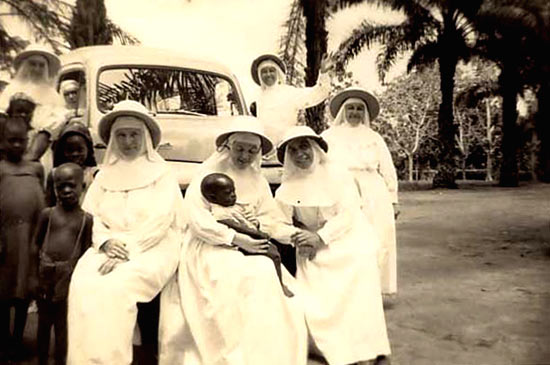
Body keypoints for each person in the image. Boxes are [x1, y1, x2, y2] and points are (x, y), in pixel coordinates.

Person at [159, 117, 307, 365]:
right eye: (239, 148)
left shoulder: (258, 181)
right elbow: (196, 218)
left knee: (263, 274)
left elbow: (270, 219)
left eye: (252, 150)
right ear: (228, 146)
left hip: (251, 244)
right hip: (210, 245)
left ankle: (262, 355)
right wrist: (235, 238)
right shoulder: (208, 174)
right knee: (231, 276)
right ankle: (232, 354)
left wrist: (257, 224)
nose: (244, 155)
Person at [66, 100, 185, 364]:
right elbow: (93, 217)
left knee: (117, 286)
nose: (128, 141)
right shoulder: (105, 175)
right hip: (110, 247)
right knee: (85, 282)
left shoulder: (161, 173)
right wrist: (107, 242)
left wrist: (127, 252)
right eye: (121, 135)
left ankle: (115, 358)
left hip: (153, 247)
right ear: (112, 139)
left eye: (134, 135)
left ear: (145, 137)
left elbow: (162, 221)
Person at [275, 126, 391, 365]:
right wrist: (297, 236)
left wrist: (322, 237)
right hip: (310, 243)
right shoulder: (286, 187)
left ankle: (364, 348)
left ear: (316, 149)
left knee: (358, 262)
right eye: (293, 150)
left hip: (348, 236)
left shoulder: (338, 174)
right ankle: (328, 346)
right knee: (314, 287)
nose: (300, 154)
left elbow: (349, 214)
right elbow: (276, 223)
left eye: (304, 147)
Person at [322, 88, 399, 295]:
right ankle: (345, 289)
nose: (354, 113)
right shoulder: (328, 136)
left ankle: (372, 289)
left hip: (373, 190)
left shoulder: (373, 137)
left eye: (358, 109)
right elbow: (318, 164)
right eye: (350, 108)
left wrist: (393, 199)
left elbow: (387, 168)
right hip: (340, 188)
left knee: (378, 237)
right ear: (343, 111)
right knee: (344, 236)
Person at [34, 163, 93, 365]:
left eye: (71, 185)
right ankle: (42, 360)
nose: (66, 191)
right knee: (43, 326)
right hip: (45, 277)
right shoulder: (47, 215)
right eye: (60, 187)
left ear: (82, 186)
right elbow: (35, 245)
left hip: (68, 281)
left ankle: (60, 361)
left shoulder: (86, 220)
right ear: (54, 189)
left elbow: (86, 254)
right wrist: (35, 278)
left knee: (63, 328)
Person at [201, 172, 293, 297]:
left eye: (233, 191)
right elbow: (238, 228)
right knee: (273, 254)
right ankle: (280, 285)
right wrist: (257, 233)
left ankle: (279, 282)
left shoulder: (231, 205)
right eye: (228, 193)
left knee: (275, 251)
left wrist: (254, 221)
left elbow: (251, 217)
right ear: (213, 198)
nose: (233, 195)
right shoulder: (220, 213)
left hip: (249, 236)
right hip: (240, 242)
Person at [0, 117, 45, 361]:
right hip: (6, 241)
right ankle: (4, 340)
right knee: (3, 294)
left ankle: (17, 339)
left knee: (23, 293)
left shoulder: (35, 169)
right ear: (3, 142)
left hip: (29, 241)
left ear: (28, 141)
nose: (17, 145)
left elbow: (43, 202)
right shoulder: (0, 170)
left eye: (22, 141)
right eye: (12, 140)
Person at [0, 44, 66, 167]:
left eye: (41, 65)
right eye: (33, 64)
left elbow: (59, 119)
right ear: (25, 66)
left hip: (40, 149)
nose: (37, 69)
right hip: (11, 146)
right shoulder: (11, 89)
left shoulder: (53, 94)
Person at [250, 53, 332, 146]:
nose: (268, 74)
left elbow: (319, 93)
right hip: (265, 150)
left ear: (277, 72)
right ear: (260, 75)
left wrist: (324, 73)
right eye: (264, 72)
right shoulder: (258, 98)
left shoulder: (289, 92)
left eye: (271, 70)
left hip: (287, 146)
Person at [46, 121, 97, 206]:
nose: (75, 154)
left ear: (88, 149)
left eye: (80, 150)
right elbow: (49, 203)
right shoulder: (54, 174)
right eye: (70, 150)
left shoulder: (94, 174)